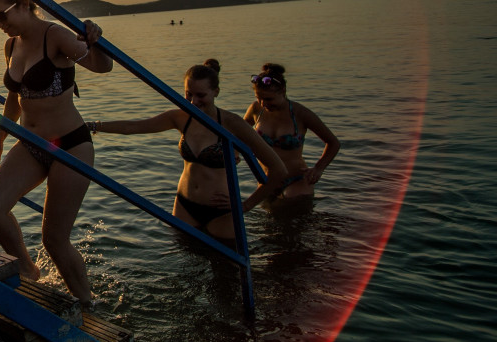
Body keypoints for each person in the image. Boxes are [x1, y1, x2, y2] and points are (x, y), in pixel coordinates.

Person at [0, 0, 111, 306]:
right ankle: (28, 271)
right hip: (31, 143)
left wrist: (95, 39)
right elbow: (13, 98)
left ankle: (86, 303)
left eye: (1, 16)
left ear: (24, 4)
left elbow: (102, 66)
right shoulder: (12, 45)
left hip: (70, 144)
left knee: (54, 239)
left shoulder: (56, 36)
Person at [92, 59, 290, 241]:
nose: (194, 101)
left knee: (226, 274)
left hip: (221, 212)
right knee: (184, 273)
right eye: (188, 94)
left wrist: (245, 205)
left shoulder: (232, 124)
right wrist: (93, 126)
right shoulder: (180, 117)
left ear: (216, 92)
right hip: (184, 207)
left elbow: (278, 170)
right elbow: (133, 127)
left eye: (201, 95)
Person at [244, 63, 340, 201]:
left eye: (269, 99)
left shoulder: (300, 113)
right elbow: (237, 134)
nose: (263, 103)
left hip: (297, 181)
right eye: (259, 97)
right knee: (267, 222)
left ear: (283, 91)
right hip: (266, 182)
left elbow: (333, 143)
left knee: (294, 218)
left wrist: (318, 168)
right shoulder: (256, 109)